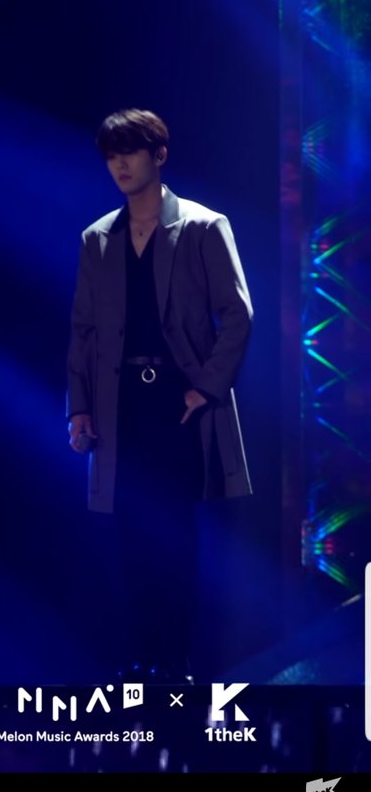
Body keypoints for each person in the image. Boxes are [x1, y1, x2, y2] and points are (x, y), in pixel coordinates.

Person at [66, 108, 253, 682]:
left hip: (178, 402)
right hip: (120, 404)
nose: (119, 164)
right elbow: (84, 330)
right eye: (111, 155)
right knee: (129, 527)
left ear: (159, 155)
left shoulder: (203, 226)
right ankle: (144, 658)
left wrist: (206, 388)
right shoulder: (98, 237)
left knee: (175, 528)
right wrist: (79, 407)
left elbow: (238, 314)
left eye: (130, 152)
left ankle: (176, 661)